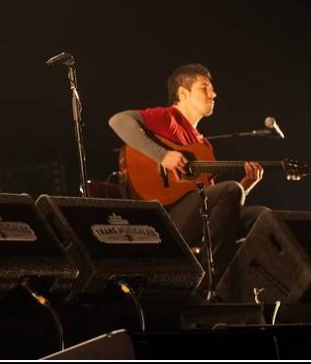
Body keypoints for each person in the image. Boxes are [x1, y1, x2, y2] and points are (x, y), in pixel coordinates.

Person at [108, 63, 270, 286]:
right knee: (231, 189)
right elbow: (118, 121)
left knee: (262, 217)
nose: (213, 94)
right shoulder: (169, 118)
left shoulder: (202, 145)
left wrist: (246, 186)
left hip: (193, 218)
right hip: (165, 218)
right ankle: (210, 281)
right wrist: (163, 155)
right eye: (204, 88)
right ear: (182, 93)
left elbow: (215, 206)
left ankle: (242, 284)